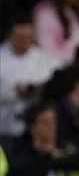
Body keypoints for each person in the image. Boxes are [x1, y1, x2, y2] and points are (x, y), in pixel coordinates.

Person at [0, 16, 62, 147]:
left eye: (27, 37)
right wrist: (13, 91)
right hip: (5, 128)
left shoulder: (46, 59)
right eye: (19, 37)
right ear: (9, 35)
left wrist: (40, 88)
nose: (24, 41)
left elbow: (59, 81)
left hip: (38, 133)